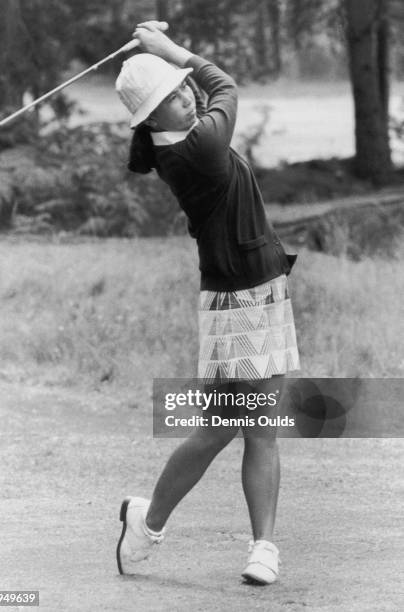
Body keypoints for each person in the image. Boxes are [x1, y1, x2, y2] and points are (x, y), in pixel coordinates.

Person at [115, 21, 300, 585]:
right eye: (171, 96)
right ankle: (163, 526)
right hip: (236, 300)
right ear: (151, 119)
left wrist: (151, 59)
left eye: (180, 85)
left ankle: (178, 529)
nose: (186, 93)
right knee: (236, 426)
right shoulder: (199, 149)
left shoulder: (172, 140)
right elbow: (226, 85)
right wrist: (173, 52)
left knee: (240, 426)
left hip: (260, 290)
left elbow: (185, 104)